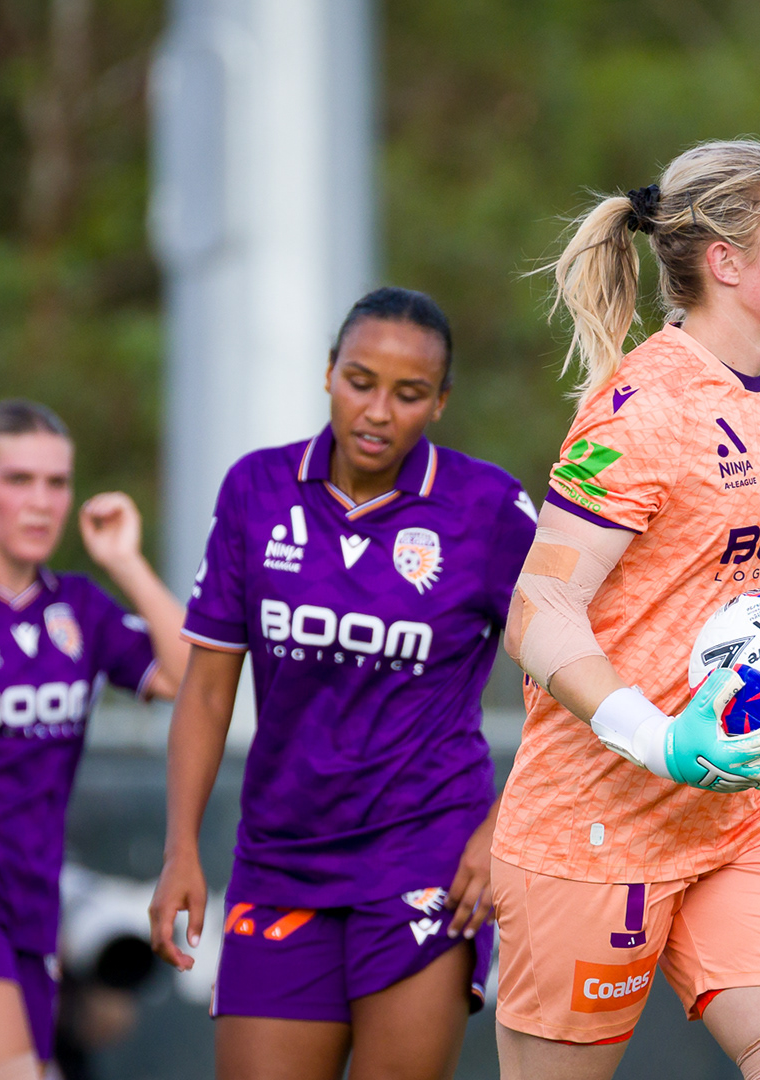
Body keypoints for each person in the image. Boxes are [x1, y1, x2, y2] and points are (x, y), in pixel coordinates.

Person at [491, 139, 760, 1080]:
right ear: (727, 261)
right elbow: (536, 608)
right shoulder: (643, 410)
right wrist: (653, 738)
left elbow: (742, 597)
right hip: (593, 830)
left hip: (738, 820)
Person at [147, 287, 540, 1080]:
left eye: (409, 393)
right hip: (280, 857)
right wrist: (179, 848)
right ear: (328, 372)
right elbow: (209, 689)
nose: (378, 412)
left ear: (440, 402)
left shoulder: (488, 509)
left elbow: (571, 680)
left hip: (425, 857)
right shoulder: (256, 490)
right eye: (360, 382)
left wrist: (506, 828)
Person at [0, 399, 186, 1080]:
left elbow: (192, 676)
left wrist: (126, 562)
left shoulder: (77, 606)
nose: (40, 502)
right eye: (18, 480)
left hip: (34, 898)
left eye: (57, 482)